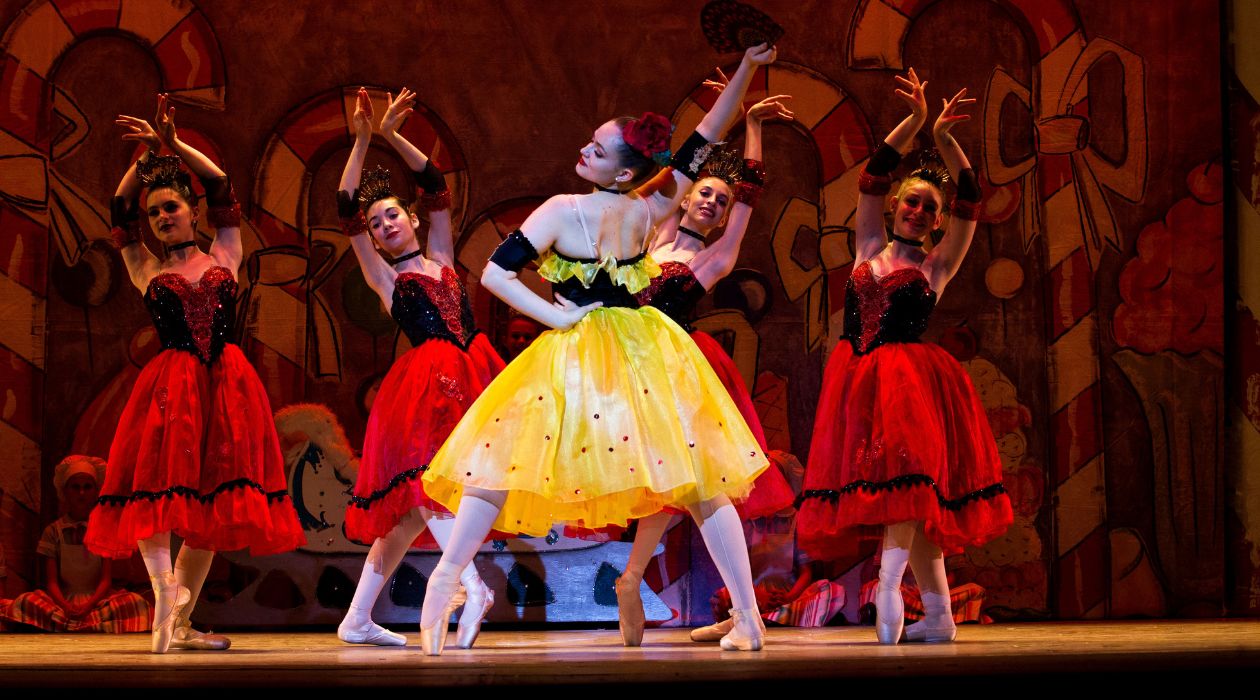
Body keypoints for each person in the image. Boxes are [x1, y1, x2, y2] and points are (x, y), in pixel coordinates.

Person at [416, 44, 779, 655]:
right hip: (642, 348)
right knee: (696, 480)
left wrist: (555, 316)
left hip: (582, 349)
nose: (585, 149)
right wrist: (746, 69)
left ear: (622, 172)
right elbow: (706, 137)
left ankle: (443, 586)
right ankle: (748, 618)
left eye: (599, 147)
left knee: (501, 459)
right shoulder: (652, 205)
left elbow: (495, 273)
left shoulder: (565, 209)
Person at [797, 69, 1013, 644]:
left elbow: (971, 199)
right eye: (911, 201)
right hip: (857, 380)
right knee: (907, 496)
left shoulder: (936, 266)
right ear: (896, 207)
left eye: (928, 208)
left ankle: (889, 583)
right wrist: (913, 122)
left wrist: (944, 141)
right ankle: (939, 616)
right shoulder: (868, 245)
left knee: (908, 484)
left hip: (910, 385)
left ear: (936, 221)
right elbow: (870, 178)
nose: (918, 211)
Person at [86, 95, 304, 653]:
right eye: (155, 211)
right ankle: (166, 602)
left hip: (226, 387)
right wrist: (145, 161)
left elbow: (223, 185)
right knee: (156, 493)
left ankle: (180, 625)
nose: (162, 217)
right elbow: (118, 207)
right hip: (171, 387)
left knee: (211, 504)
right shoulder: (146, 267)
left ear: (191, 211)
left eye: (171, 208)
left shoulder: (224, 252)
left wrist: (172, 145)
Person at [618, 94, 796, 646]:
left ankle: (748, 617)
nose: (713, 204)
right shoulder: (649, 237)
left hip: (678, 376)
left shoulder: (710, 260)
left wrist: (754, 131)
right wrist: (723, 115)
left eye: (720, 201)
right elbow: (675, 174)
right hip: (629, 369)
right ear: (687, 197)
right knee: (669, 488)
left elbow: (749, 198)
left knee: (700, 489)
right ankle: (631, 580)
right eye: (705, 194)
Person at [336, 88, 505, 648]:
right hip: (426, 385)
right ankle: (470, 584)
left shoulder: (442, 255)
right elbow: (344, 206)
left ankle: (356, 620)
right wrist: (362, 142)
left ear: (410, 218)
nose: (384, 226)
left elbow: (435, 184)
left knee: (409, 516)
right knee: (425, 485)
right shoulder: (386, 279)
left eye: (391, 216)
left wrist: (391, 134)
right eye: (377, 223)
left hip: (472, 371)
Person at [2, 456, 149, 633]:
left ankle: (76, 622)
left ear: (96, 491)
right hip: (62, 602)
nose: (81, 493)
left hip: (97, 602)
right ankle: (83, 623)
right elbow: (52, 582)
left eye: (87, 487)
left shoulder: (104, 529)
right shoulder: (53, 531)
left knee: (137, 603)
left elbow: (105, 580)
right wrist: (66, 606)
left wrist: (88, 605)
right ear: (65, 492)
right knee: (25, 602)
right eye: (75, 487)